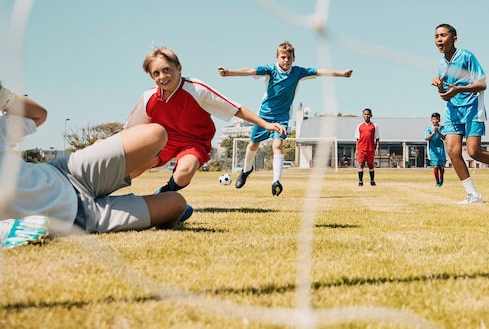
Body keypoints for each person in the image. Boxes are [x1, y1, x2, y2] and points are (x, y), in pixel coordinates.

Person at [0, 80, 188, 244]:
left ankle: (129, 171)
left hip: (68, 172)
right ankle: (146, 197)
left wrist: (4, 96)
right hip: (80, 218)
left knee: (155, 134)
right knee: (176, 204)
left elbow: (38, 115)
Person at [125, 47, 286, 218]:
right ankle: (103, 195)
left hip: (193, 142)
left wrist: (266, 124)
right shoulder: (148, 97)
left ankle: (159, 198)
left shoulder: (197, 89)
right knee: (134, 165)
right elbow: (129, 130)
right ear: (151, 77)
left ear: (179, 68)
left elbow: (235, 108)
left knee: (184, 172)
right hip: (164, 139)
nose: (162, 76)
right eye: (156, 73)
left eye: (166, 70)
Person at [218, 41, 353, 196]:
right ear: (277, 57)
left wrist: (341, 74)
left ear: (293, 58)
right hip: (264, 116)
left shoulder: (298, 72)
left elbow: (320, 72)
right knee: (253, 145)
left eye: (289, 57)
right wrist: (229, 72)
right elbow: (250, 70)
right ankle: (246, 170)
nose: (286, 60)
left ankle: (276, 182)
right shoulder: (270, 69)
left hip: (282, 117)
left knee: (277, 145)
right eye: (283, 57)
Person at [432, 23, 489, 204]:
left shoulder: (466, 56)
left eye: (443, 35)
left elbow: (482, 84)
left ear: (454, 38)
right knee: (453, 151)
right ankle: (474, 195)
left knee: (474, 152)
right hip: (452, 112)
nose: (439, 39)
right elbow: (445, 97)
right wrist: (441, 87)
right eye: (436, 36)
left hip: (472, 108)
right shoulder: (441, 64)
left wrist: (458, 90)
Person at [355, 108, 380, 186]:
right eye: (365, 114)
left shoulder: (374, 126)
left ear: (371, 115)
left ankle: (372, 181)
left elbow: (377, 138)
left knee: (370, 164)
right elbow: (357, 139)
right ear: (362, 115)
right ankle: (360, 181)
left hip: (370, 148)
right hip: (361, 149)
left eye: (368, 114)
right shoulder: (359, 126)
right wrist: (357, 150)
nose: (366, 116)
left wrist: (377, 148)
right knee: (361, 164)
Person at [425, 112, 447, 187]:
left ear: (439, 120)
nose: (435, 120)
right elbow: (426, 138)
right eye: (433, 119)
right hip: (432, 150)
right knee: (435, 166)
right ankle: (437, 182)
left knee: (441, 167)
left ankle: (441, 177)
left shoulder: (442, 128)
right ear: (431, 120)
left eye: (437, 119)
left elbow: (444, 137)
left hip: (441, 150)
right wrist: (433, 133)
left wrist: (438, 132)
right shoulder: (428, 128)